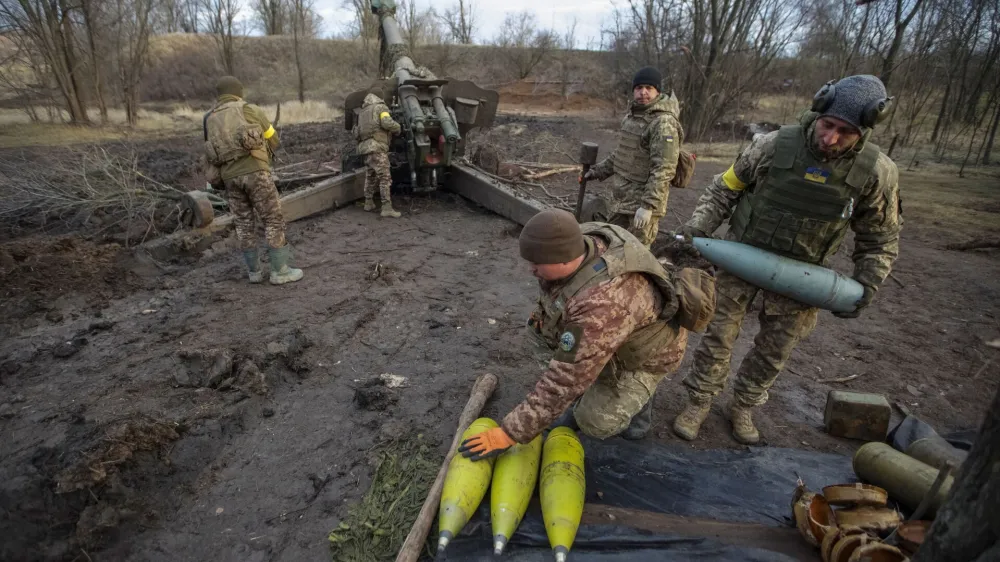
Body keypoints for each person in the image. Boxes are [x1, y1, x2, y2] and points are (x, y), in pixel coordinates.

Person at [672, 75, 902, 445]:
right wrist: (698, 227)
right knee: (717, 336)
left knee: (774, 351)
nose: (830, 139)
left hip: (803, 277)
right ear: (818, 111)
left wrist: (868, 283)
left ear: (865, 130)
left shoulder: (876, 173)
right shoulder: (773, 145)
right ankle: (698, 400)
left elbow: (880, 236)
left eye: (845, 132)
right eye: (827, 125)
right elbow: (724, 188)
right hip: (742, 259)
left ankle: (743, 405)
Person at [457, 209, 715, 461]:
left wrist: (509, 433)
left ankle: (642, 398)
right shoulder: (581, 239)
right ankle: (596, 374)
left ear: (563, 260)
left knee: (594, 421)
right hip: (615, 331)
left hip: (648, 354)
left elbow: (565, 380)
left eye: (537, 263)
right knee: (538, 332)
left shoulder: (602, 304)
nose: (531, 270)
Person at [203, 76, 303, 285]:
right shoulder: (249, 109)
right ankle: (280, 271)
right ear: (238, 91)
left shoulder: (208, 118)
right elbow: (272, 139)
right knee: (272, 219)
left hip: (229, 178)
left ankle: (254, 273)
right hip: (255, 173)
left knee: (243, 223)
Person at [582, 66, 684, 247]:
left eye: (649, 88)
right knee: (610, 247)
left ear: (657, 91)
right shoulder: (632, 117)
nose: (643, 92)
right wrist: (597, 172)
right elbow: (623, 154)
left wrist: (648, 206)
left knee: (635, 255)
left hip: (641, 206)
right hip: (621, 200)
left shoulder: (663, 123)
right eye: (639, 88)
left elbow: (664, 169)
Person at [356, 93, 402, 218]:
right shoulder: (380, 107)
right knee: (385, 177)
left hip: (365, 148)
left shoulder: (362, 112)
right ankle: (386, 207)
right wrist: (398, 128)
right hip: (377, 147)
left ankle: (368, 202)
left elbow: (356, 132)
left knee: (370, 175)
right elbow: (387, 123)